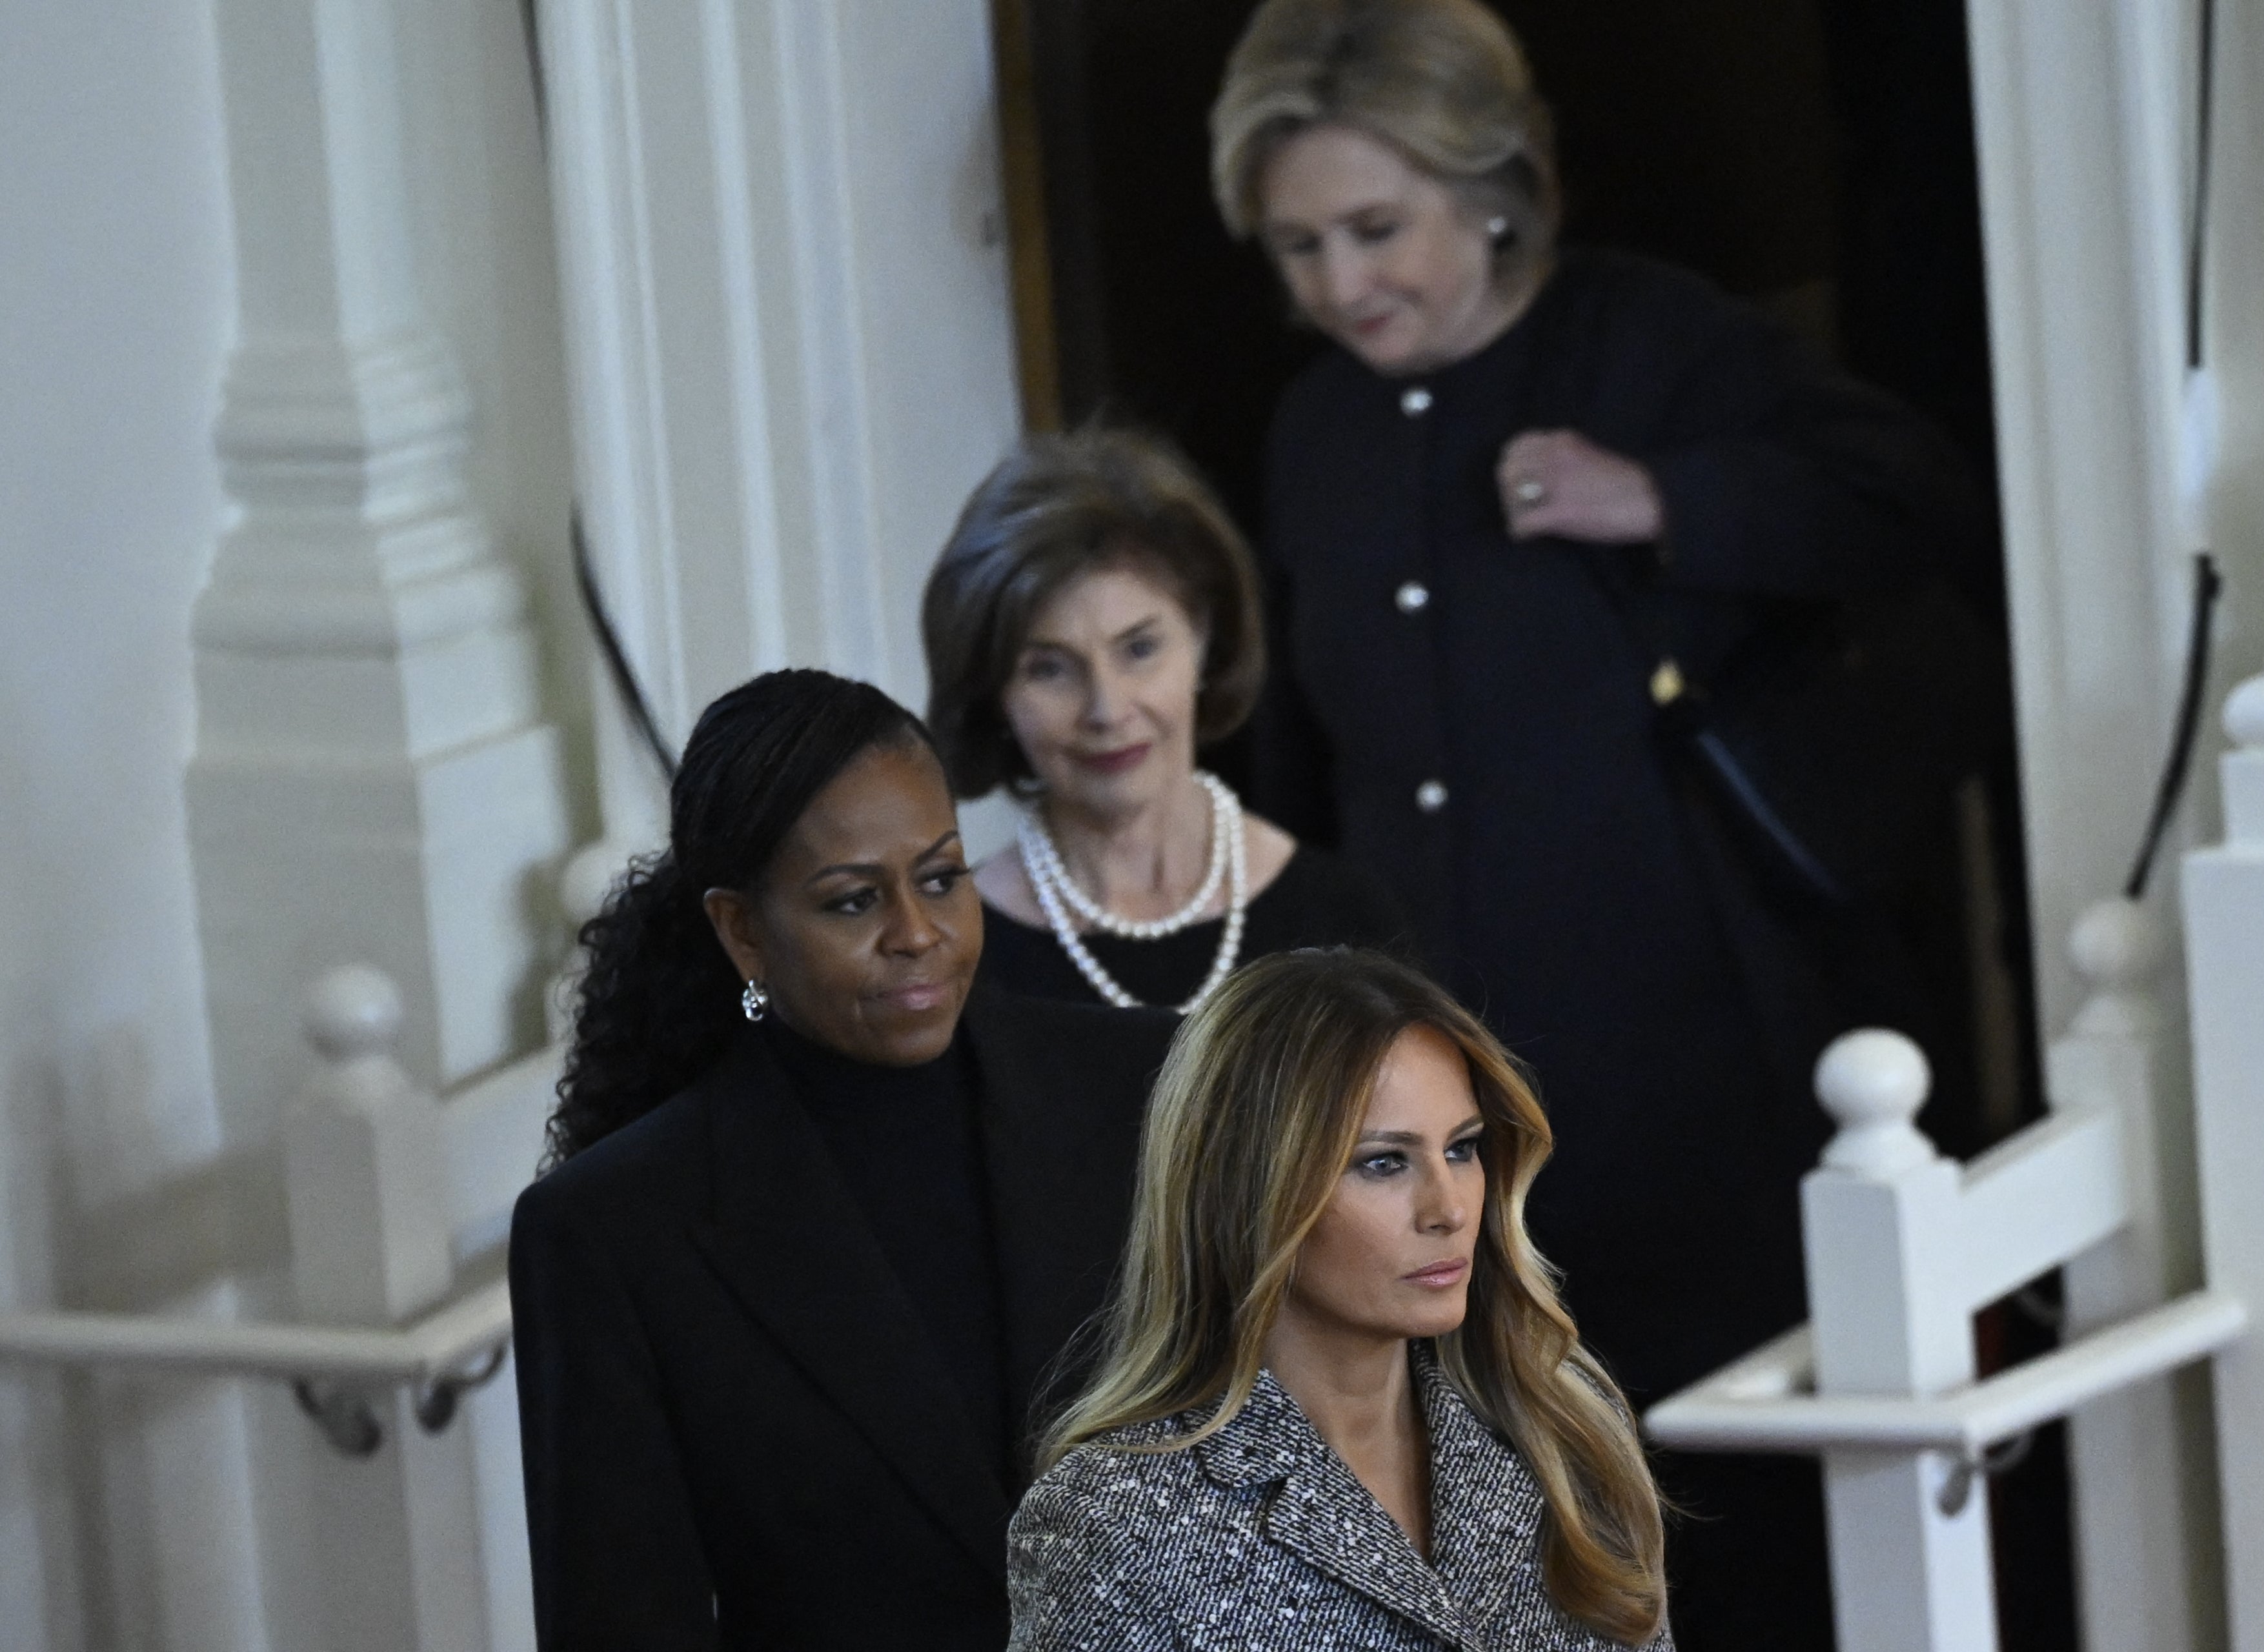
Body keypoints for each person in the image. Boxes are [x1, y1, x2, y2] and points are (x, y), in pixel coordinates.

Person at [1212, 1, 1999, 1644]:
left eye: (1376, 228)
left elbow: (1916, 494)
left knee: (1744, 1516)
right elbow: (1297, 762)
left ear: (1493, 189)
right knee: (1504, 1527)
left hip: (1698, 1069)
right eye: (1297, 244)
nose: (1338, 284)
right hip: (1429, 1124)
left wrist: (1662, 499)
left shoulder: (1645, 342)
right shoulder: (1312, 432)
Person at [509, 669, 1174, 1651]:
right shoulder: (615, 1230)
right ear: (743, 932)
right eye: (853, 902)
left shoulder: (1146, 1086)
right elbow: (620, 1620)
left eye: (942, 878)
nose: (918, 934)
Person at [1007, 947, 1673, 1651]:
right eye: (1384, 1162)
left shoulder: (1564, 1433)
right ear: (1248, 1189)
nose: (1448, 1209)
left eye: (1462, 1148)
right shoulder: (1114, 1523)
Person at [923, 426, 1408, 1014]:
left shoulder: (1341, 921)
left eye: (1139, 649)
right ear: (993, 689)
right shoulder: (951, 956)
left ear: (1205, 637)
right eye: (1049, 669)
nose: (1106, 708)